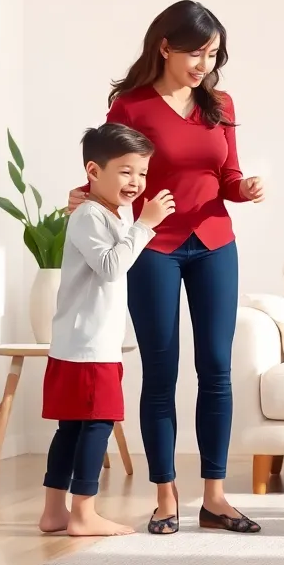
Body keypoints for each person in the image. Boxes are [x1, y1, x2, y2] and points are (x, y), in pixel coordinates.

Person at [68, 0, 266, 535]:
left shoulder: (219, 104)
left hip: (215, 243)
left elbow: (227, 175)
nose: (205, 63)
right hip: (152, 247)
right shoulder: (130, 107)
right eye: (196, 52)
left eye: (214, 54)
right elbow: (111, 173)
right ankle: (165, 496)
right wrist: (86, 193)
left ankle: (216, 497)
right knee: (160, 372)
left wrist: (243, 189)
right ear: (165, 47)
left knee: (217, 371)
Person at [41, 123, 173, 537]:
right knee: (96, 424)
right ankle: (83, 513)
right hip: (90, 346)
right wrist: (146, 225)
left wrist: (136, 219)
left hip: (81, 343)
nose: (136, 182)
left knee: (73, 427)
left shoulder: (108, 211)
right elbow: (112, 267)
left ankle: (54, 513)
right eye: (126, 172)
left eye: (143, 173)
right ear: (93, 171)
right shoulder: (90, 217)